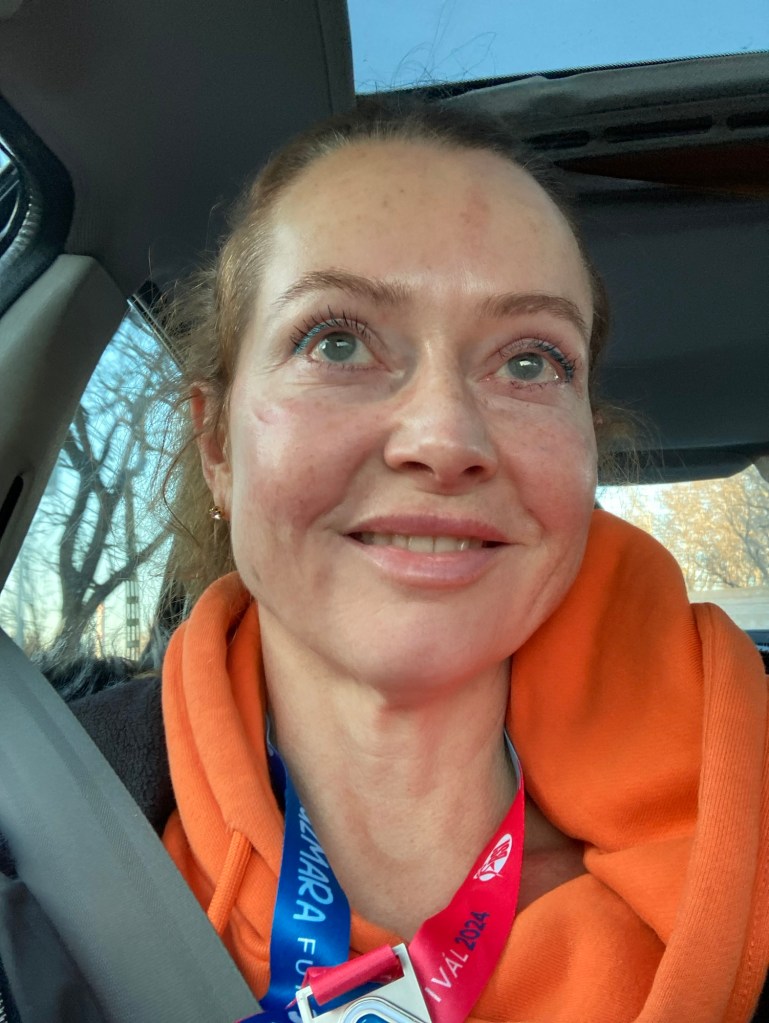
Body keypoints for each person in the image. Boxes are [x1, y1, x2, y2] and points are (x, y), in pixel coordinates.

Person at [156, 99, 768, 1023]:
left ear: (585, 451)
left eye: (529, 362)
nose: (443, 438)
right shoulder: (44, 835)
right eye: (336, 341)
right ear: (217, 447)